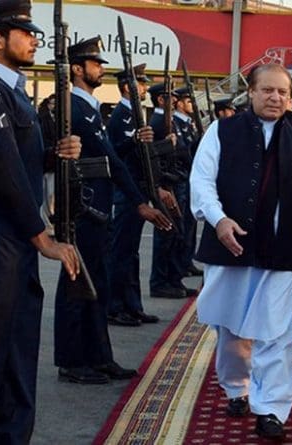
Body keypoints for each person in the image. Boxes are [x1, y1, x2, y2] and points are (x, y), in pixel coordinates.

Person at [0, 0, 82, 441]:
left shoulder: (11, 89)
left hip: (12, 240)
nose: (34, 40)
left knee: (17, 349)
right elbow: (2, 172)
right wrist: (42, 236)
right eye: (25, 33)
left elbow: (20, 161)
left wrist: (53, 154)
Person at [190, 63, 292, 440]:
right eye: (267, 90)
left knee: (277, 332)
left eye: (283, 92)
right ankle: (237, 388)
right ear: (250, 92)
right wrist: (218, 220)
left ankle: (271, 409)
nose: (275, 98)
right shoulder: (222, 130)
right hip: (230, 244)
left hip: (282, 250)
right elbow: (201, 182)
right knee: (231, 327)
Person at [53, 37, 171, 385]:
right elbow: (113, 160)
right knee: (78, 284)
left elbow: (113, 160)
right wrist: (138, 202)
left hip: (98, 206)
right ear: (77, 68)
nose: (101, 68)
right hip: (84, 208)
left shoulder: (88, 107)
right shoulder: (71, 107)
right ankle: (73, 360)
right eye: (95, 62)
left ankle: (99, 356)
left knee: (97, 284)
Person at [107, 63, 172, 326]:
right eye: (141, 83)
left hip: (138, 187)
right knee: (121, 251)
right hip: (126, 192)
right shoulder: (121, 116)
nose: (144, 88)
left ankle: (132, 304)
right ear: (127, 87)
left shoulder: (135, 114)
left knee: (131, 253)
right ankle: (115, 306)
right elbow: (115, 154)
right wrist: (134, 139)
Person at [147, 83, 193, 299]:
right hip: (167, 185)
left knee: (177, 234)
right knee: (166, 234)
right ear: (160, 100)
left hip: (178, 180)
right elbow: (153, 157)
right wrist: (163, 187)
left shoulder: (169, 120)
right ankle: (160, 282)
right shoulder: (157, 122)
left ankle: (173, 280)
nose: (174, 101)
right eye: (170, 97)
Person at [172, 86, 203, 278]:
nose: (192, 104)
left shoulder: (187, 124)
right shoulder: (174, 122)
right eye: (189, 101)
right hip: (181, 179)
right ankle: (177, 268)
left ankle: (186, 261)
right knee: (179, 229)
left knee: (189, 227)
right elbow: (184, 152)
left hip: (188, 179)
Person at [37, 94, 56, 235]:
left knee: (50, 194)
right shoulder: (44, 119)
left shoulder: (52, 118)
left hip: (50, 162)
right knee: (48, 194)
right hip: (48, 161)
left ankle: (49, 222)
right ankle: (48, 223)